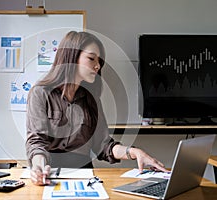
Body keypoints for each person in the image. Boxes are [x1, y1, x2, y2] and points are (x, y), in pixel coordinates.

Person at [26, 31, 167, 185]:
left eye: (99, 61)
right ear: (71, 57)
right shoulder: (40, 93)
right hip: (50, 173)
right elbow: (37, 142)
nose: (98, 65)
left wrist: (134, 152)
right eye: (91, 58)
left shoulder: (91, 99)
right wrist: (38, 168)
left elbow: (104, 145)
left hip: (84, 175)